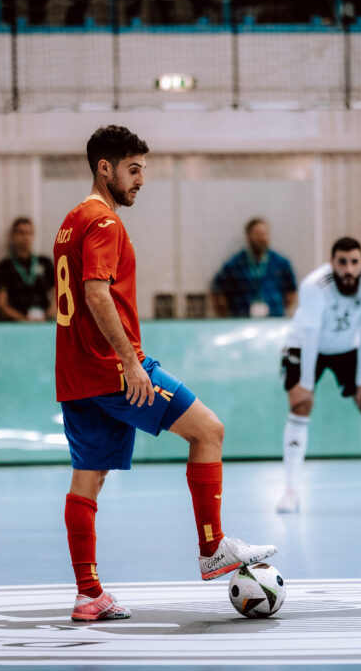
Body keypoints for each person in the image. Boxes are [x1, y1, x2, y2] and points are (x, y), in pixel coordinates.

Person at [53, 125, 276, 620]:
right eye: (133, 170)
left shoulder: (70, 221)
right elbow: (95, 293)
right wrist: (131, 363)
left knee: (87, 480)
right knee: (209, 432)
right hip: (114, 370)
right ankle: (212, 548)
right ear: (104, 168)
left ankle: (88, 594)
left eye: (143, 171)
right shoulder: (105, 223)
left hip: (76, 376)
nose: (140, 181)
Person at [277, 236, 361, 514]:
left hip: (348, 346)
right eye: (342, 262)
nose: (348, 269)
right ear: (332, 263)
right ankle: (290, 492)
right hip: (306, 345)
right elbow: (309, 335)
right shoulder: (314, 286)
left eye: (354, 262)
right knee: (300, 403)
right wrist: (306, 384)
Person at [212, 218, 297, 319]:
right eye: (257, 234)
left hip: (273, 321)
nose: (261, 238)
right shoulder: (234, 264)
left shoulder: (281, 262)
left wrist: (281, 309)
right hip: (242, 321)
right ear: (248, 236)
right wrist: (227, 317)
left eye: (264, 234)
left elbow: (291, 290)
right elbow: (218, 290)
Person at [0, 217, 55, 321]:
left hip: (44, 320)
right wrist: (24, 319)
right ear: (13, 236)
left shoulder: (45, 262)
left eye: (29, 233)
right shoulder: (3, 267)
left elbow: (57, 294)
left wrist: (48, 315)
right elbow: (1, 304)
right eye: (21, 233)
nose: (25, 237)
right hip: (17, 323)